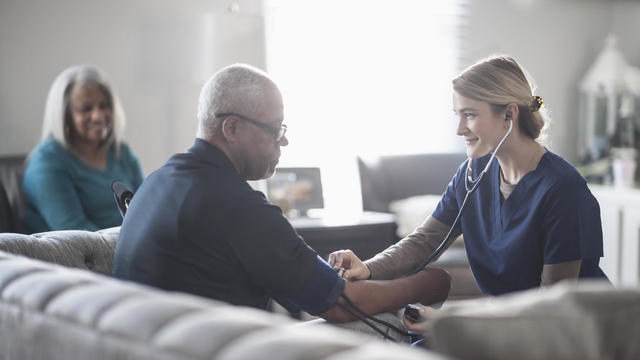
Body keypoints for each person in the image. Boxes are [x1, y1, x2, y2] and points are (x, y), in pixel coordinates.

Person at [112, 64, 450, 330]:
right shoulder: (235, 205)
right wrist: (426, 284)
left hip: (147, 344)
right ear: (232, 128)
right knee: (393, 326)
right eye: (275, 129)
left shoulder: (156, 182)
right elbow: (341, 304)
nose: (283, 142)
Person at [329, 55, 607, 331]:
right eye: (457, 115)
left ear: (509, 115)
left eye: (469, 115)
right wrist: (367, 268)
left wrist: (454, 321)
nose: (460, 129)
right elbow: (424, 241)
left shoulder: (563, 190)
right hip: (513, 324)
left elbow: (550, 307)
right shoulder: (473, 173)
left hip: (577, 334)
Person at [23, 65, 144, 233]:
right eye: (86, 109)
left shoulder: (121, 152)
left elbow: (146, 211)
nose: (98, 116)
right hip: (75, 257)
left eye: (104, 106)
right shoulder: (46, 163)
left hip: (129, 249)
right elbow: (76, 234)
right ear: (65, 116)